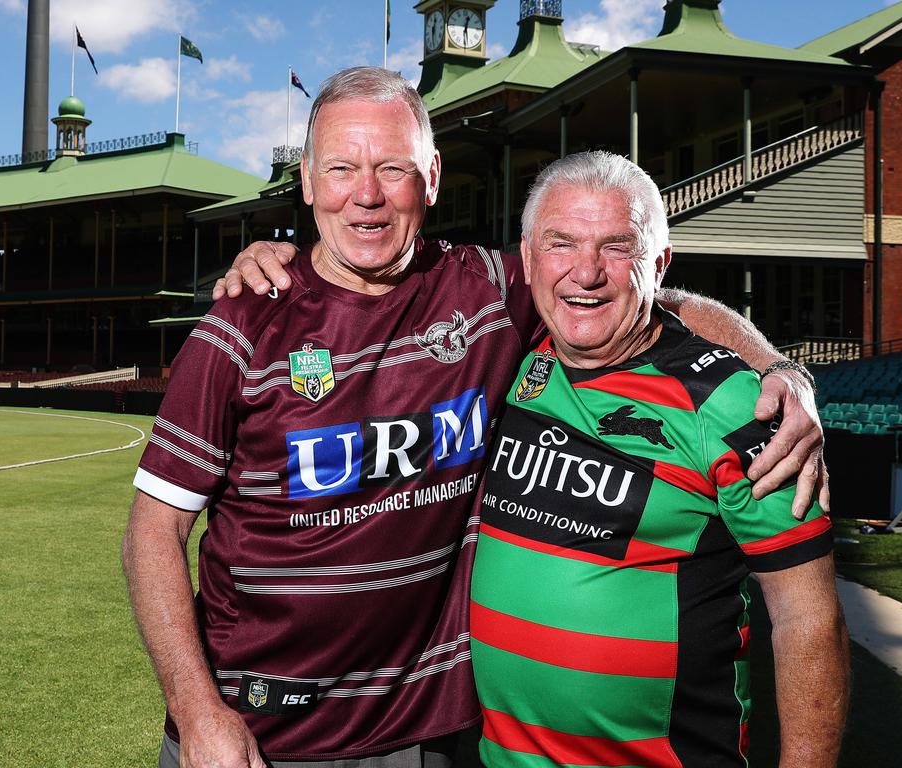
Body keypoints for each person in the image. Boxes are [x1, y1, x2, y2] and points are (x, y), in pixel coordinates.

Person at [123, 66, 824, 768]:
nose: (365, 195)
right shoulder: (241, 325)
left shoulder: (489, 290)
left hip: (433, 738)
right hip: (260, 739)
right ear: (306, 181)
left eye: (391, 168)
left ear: (430, 178)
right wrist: (197, 710)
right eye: (341, 168)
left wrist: (778, 371)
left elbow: (648, 300)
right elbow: (154, 532)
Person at [469, 151, 849, 767]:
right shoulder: (514, 348)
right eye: (561, 243)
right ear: (529, 255)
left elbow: (809, 623)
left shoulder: (735, 409)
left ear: (658, 262)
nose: (586, 272)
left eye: (618, 247)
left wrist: (780, 370)